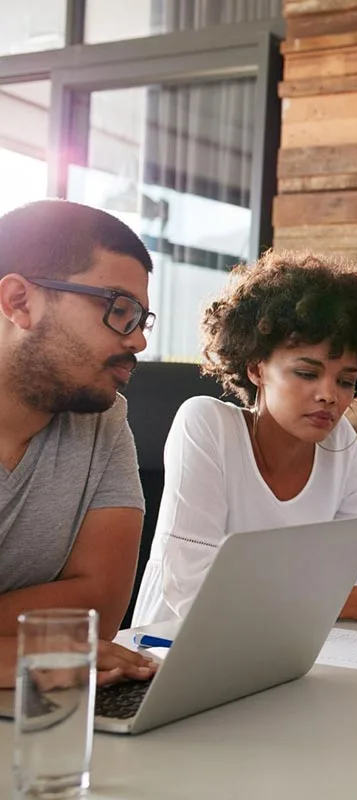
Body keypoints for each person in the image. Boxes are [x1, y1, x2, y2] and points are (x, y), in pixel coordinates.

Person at [131, 251, 357, 627]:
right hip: (171, 652)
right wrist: (347, 603)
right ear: (257, 368)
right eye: (307, 373)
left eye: (345, 381)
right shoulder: (206, 424)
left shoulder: (341, 444)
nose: (330, 395)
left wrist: (268, 590)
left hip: (292, 646)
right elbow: (195, 591)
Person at [0, 200, 158, 687]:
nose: (138, 343)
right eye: (118, 310)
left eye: (140, 319)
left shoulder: (104, 420)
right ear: (20, 302)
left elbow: (98, 613)